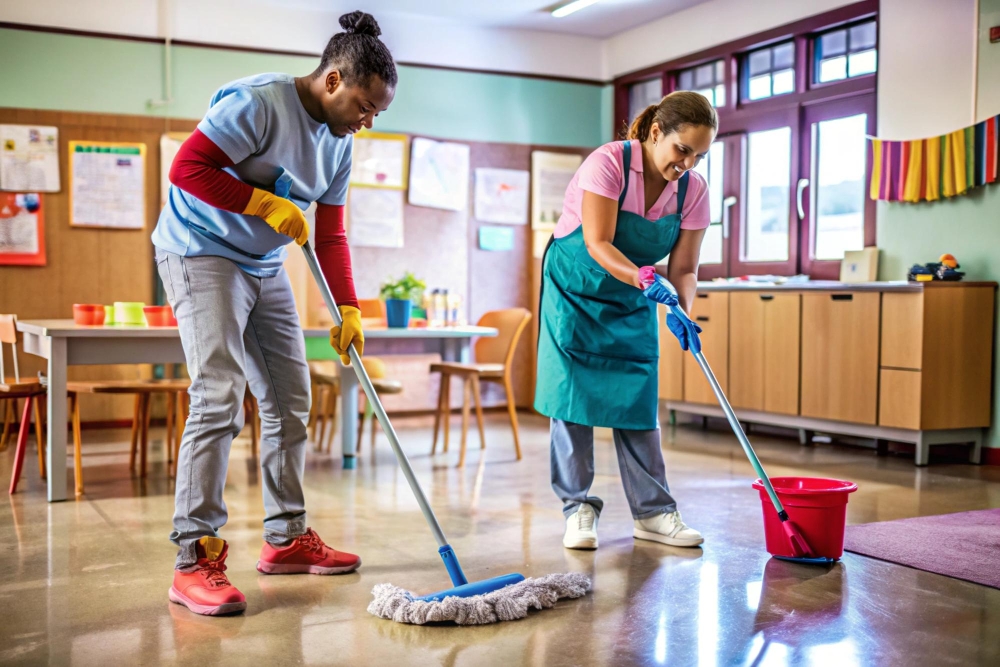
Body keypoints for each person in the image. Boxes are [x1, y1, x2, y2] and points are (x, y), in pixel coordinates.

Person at [152, 11, 396, 616]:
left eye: (378, 114)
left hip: (262, 266)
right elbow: (186, 168)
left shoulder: (339, 145)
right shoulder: (259, 104)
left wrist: (350, 310)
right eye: (365, 106)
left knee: (289, 398)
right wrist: (261, 201)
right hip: (200, 250)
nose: (367, 122)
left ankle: (286, 537)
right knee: (219, 392)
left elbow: (332, 236)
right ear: (334, 80)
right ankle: (193, 557)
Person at [535, 91, 718, 551]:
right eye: (682, 150)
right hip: (575, 288)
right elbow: (597, 243)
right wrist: (643, 279)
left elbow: (685, 270)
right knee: (571, 400)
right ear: (656, 133)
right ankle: (577, 508)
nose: (688, 164)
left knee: (639, 398)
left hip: (636, 289)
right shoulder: (609, 164)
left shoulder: (693, 191)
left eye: (699, 155)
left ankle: (653, 513)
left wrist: (681, 308)